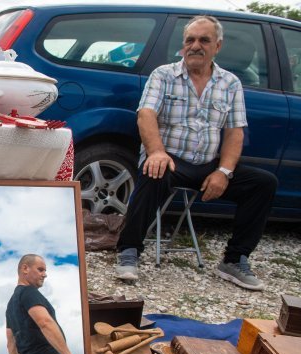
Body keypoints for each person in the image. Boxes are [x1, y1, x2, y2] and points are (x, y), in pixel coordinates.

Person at [114, 15, 277, 291]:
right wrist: (155, 151)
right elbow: (146, 115)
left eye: (204, 40)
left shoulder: (230, 83)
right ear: (183, 45)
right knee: (154, 169)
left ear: (218, 46)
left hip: (208, 165)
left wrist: (223, 172)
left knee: (263, 183)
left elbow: (235, 132)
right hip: (170, 157)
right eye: (190, 40)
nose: (195, 46)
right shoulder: (163, 74)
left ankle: (235, 259)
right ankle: (128, 251)